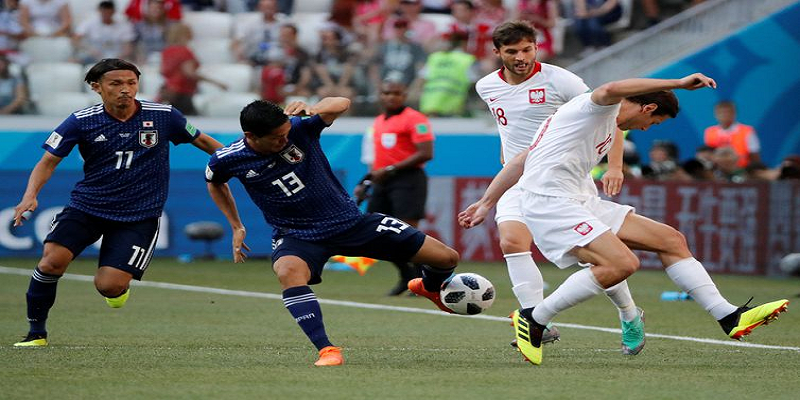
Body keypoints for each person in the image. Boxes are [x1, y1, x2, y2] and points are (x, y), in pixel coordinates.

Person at [459, 72, 789, 365]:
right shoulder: (597, 107)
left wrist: (487, 201)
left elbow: (522, 158)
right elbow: (614, 87)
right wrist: (677, 83)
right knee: (620, 264)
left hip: (579, 199)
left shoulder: (602, 122)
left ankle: (728, 316)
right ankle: (535, 318)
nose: (647, 129)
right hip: (549, 202)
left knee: (670, 240)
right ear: (647, 109)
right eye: (653, 123)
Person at [205, 98, 460, 366]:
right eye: (276, 138)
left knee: (446, 258)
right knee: (288, 272)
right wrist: (236, 225)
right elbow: (214, 182)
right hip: (297, 235)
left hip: (351, 223)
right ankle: (327, 350)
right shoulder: (228, 159)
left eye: (285, 134)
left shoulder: (299, 129)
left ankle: (429, 288)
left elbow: (342, 103)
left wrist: (314, 108)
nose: (284, 141)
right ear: (250, 136)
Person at [12, 58, 224, 347]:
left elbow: (203, 142)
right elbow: (48, 161)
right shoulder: (81, 121)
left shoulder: (163, 115)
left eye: (131, 83)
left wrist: (239, 161)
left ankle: (117, 289)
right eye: (116, 83)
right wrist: (29, 196)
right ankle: (36, 333)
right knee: (51, 262)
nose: (125, 89)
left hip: (139, 215)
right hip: (88, 206)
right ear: (96, 87)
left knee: (109, 286)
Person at [475, 20, 642, 357]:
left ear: (536, 47)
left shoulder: (561, 80)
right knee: (511, 240)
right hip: (519, 179)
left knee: (595, 259)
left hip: (564, 180)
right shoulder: (485, 86)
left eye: (527, 49)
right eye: (512, 52)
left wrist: (614, 165)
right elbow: (512, 130)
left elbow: (609, 115)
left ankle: (629, 314)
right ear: (497, 53)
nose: (521, 57)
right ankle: (537, 323)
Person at [355, 80, 433, 296]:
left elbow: (426, 152)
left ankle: (423, 281)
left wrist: (389, 169)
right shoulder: (379, 122)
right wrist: (366, 182)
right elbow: (378, 159)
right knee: (378, 233)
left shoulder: (415, 119)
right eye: (387, 93)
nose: (391, 97)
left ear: (404, 95)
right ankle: (407, 276)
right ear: (380, 95)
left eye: (396, 93)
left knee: (407, 233)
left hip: (408, 179)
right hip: (383, 181)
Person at [160, 23, 228, 115]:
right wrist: (216, 83)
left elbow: (162, 71)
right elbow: (190, 73)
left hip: (170, 92)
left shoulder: (166, 51)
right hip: (182, 93)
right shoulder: (184, 51)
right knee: (192, 123)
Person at [73, 1, 135, 65]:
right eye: (104, 12)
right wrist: (89, 50)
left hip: (116, 59)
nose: (106, 15)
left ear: (113, 11)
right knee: (75, 61)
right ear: (99, 11)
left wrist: (119, 57)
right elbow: (75, 39)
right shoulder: (89, 23)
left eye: (109, 12)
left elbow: (128, 48)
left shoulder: (124, 26)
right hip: (93, 57)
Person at [703, 100, 761, 168]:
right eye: (721, 112)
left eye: (728, 112)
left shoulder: (747, 131)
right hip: (717, 172)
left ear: (734, 113)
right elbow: (709, 154)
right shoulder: (709, 132)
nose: (724, 115)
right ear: (715, 114)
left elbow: (754, 155)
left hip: (742, 170)